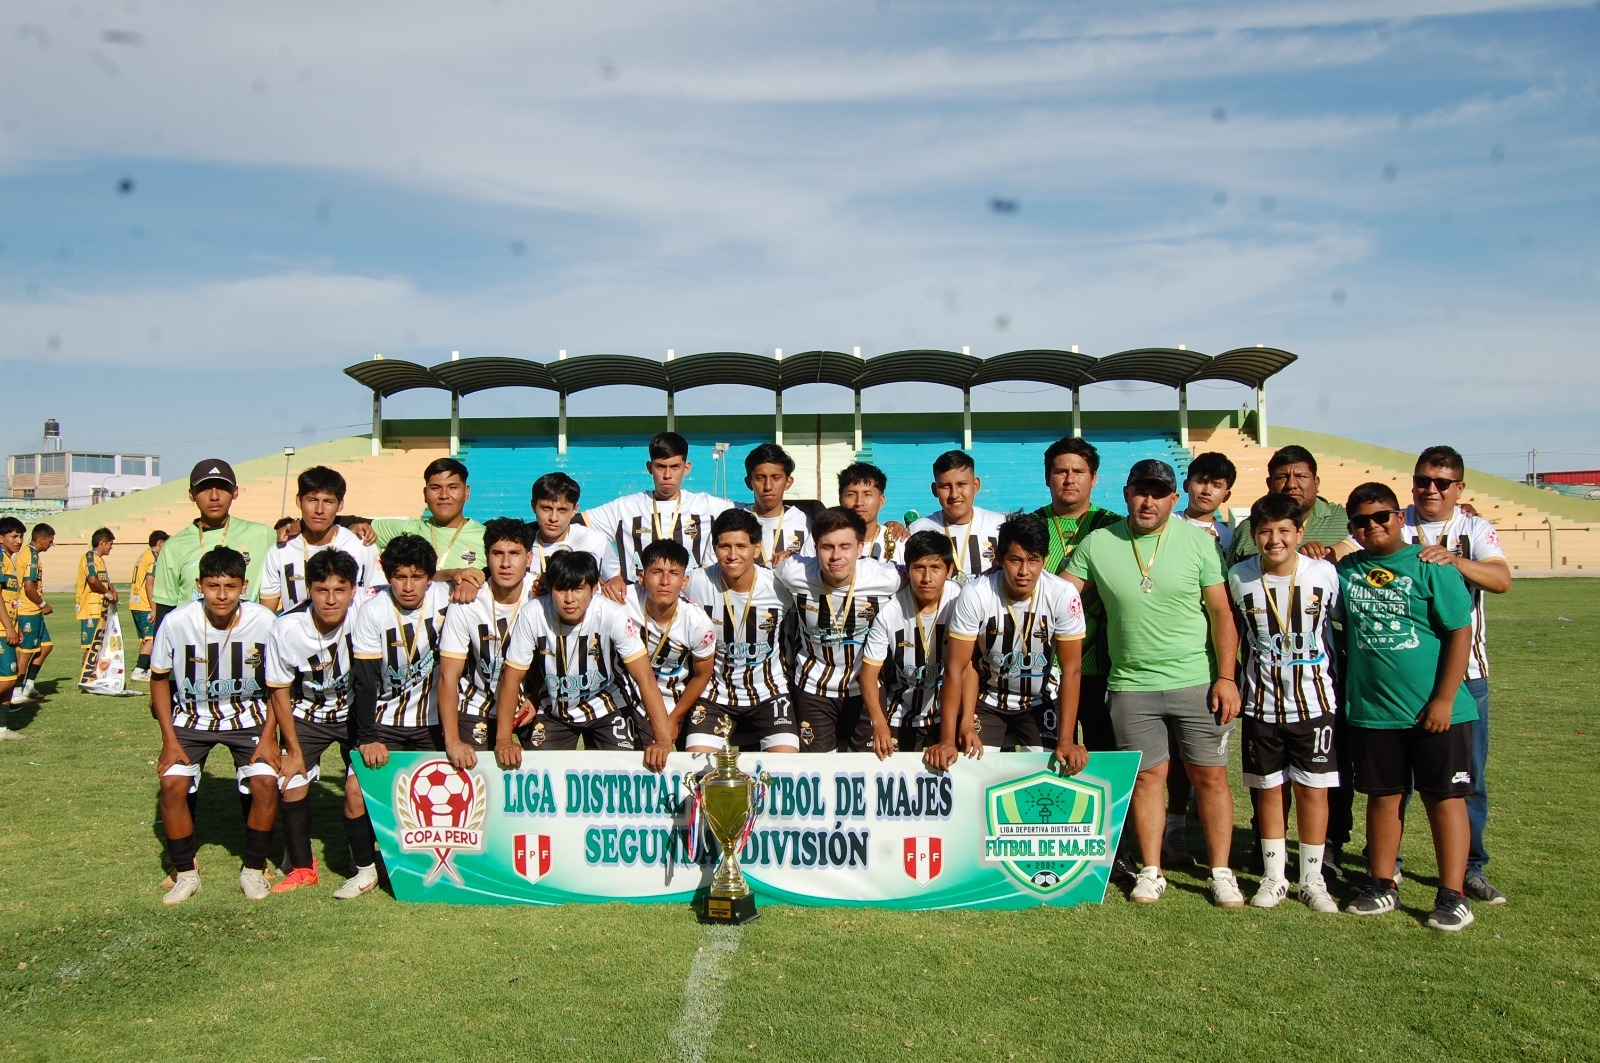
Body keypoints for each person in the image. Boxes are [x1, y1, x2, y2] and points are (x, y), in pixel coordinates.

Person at [1064, 459, 1244, 908]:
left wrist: (1226, 677)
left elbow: (1222, 613)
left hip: (1196, 681)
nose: (1148, 501)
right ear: (1125, 494)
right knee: (1147, 779)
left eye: (1158, 493)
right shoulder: (1098, 542)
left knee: (1210, 778)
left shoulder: (1198, 543)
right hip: (1130, 685)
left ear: (1173, 499)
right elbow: (1060, 594)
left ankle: (1221, 873)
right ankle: (1151, 869)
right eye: (1140, 492)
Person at [1338, 482, 1479, 931]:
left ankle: (1452, 894)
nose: (1373, 526)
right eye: (1362, 520)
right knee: (1383, 797)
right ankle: (1382, 884)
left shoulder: (1430, 565)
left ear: (1400, 517)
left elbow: (1460, 631)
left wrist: (1442, 698)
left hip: (1437, 712)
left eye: (1382, 516)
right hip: (1375, 710)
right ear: (1352, 527)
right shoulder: (1346, 570)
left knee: (1444, 799)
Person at [1400, 445, 1512, 905]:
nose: (1431, 489)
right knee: (1396, 779)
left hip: (1468, 676)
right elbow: (1353, 548)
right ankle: (1387, 865)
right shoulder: (1395, 521)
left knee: (1469, 778)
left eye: (1442, 483)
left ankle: (1471, 868)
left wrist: (1453, 559)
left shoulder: (1473, 527)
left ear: (1459, 488)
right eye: (1424, 480)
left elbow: (1501, 579)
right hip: (1404, 674)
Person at [1227, 493, 1341, 913]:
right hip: (1261, 705)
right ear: (1254, 535)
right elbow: (1233, 635)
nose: (1274, 540)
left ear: (1300, 533)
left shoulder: (1325, 574)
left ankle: (1313, 878)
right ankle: (1275, 876)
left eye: (1283, 531)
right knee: (1269, 791)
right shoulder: (1240, 575)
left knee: (1313, 792)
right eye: (1265, 532)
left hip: (1314, 705)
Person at [149, 546, 280, 905]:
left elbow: (278, 685)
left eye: (230, 586)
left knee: (266, 783)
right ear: (198, 585)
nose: (222, 595)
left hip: (247, 718)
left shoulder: (265, 622)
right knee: (172, 784)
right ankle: (185, 873)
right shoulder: (177, 622)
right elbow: (159, 679)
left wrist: (270, 737)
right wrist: (168, 738)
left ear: (245, 586)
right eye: (212, 586)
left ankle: (254, 870)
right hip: (191, 719)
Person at [928, 513, 1087, 770]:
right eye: (1015, 560)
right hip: (988, 699)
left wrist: (1066, 739)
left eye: (1033, 561)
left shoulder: (1063, 594)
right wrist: (948, 738)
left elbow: (1072, 670)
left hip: (1041, 700)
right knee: (972, 771)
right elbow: (957, 668)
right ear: (999, 558)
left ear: (1044, 560)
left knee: (1049, 770)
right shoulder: (975, 594)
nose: (1024, 571)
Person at [491, 550, 674, 772]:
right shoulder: (533, 614)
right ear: (550, 589)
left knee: (621, 773)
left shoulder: (612, 614)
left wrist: (663, 739)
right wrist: (503, 739)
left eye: (578, 589)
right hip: (555, 709)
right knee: (543, 776)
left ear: (594, 588)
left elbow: (643, 676)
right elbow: (511, 676)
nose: (569, 599)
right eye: (561, 589)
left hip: (607, 705)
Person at [265, 549, 379, 898]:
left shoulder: (367, 612)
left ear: (353, 590)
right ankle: (302, 866)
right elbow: (279, 692)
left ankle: (361, 858)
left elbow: (413, 583)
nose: (331, 599)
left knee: (363, 785)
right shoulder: (286, 627)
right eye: (321, 590)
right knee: (291, 781)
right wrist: (294, 749)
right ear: (308, 590)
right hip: (307, 715)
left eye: (340, 590)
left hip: (354, 714)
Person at [773, 507, 903, 752]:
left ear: (860, 549)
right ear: (814, 548)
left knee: (867, 769)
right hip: (813, 689)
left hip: (866, 690)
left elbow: (925, 580)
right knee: (819, 770)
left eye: (845, 546)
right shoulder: (792, 572)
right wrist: (783, 556)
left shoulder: (888, 578)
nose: (836, 556)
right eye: (827, 547)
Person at [1031, 437, 1121, 751]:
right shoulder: (1030, 526)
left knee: (1106, 761)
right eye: (1060, 471)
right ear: (1047, 477)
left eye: (1079, 471)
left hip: (1105, 669)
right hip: (1045, 670)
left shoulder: (1115, 528)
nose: (1069, 479)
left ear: (1094, 477)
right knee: (1048, 761)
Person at [683, 509, 798, 752]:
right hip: (714, 694)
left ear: (757, 549)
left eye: (741, 546)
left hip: (770, 693)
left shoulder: (780, 586)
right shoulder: (695, 582)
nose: (732, 555)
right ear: (714, 548)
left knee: (786, 769)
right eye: (724, 546)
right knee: (696, 773)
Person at [438, 518, 537, 769]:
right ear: (486, 556)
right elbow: (449, 676)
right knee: (474, 774)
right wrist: (452, 742)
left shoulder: (542, 593)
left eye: (514, 553)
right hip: (476, 703)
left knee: (546, 769)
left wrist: (536, 696)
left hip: (530, 705)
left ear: (529, 558)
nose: (505, 563)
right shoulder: (466, 600)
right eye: (497, 553)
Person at [350, 534, 455, 768]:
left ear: (430, 578)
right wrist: (368, 738)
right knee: (355, 793)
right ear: (388, 577)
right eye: (400, 577)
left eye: (417, 577)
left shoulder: (447, 596)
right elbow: (365, 681)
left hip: (434, 719)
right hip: (384, 717)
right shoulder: (372, 610)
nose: (408, 587)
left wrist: (463, 576)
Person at [861, 531, 964, 758]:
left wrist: (966, 721)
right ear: (907, 570)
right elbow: (869, 675)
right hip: (900, 713)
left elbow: (970, 667)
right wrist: (879, 724)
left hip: (950, 712)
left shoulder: (962, 601)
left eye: (935, 568)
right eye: (918, 568)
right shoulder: (889, 612)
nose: (926, 578)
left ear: (950, 570)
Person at [580, 432, 734, 583]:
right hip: (636, 602)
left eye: (675, 467)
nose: (667, 475)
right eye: (661, 467)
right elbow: (572, 524)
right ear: (649, 467)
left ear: (686, 468)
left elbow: (755, 514)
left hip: (689, 602)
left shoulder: (707, 506)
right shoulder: (625, 507)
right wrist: (611, 574)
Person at [151, 460, 278, 631]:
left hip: (246, 642)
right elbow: (165, 610)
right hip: (193, 643)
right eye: (204, 488)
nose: (214, 496)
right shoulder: (173, 546)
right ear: (191, 494)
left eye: (222, 487)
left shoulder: (263, 535)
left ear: (235, 492)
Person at [346, 457, 489, 604]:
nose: (444, 495)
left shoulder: (486, 537)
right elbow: (345, 525)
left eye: (453, 487)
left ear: (466, 492)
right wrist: (355, 529)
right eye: (435, 488)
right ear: (425, 494)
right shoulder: (407, 530)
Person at [622, 539, 717, 745]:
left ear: (684, 581)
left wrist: (673, 720)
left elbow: (703, 674)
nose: (665, 581)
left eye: (674, 574)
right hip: (628, 699)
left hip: (676, 701)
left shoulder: (698, 623)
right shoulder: (622, 601)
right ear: (642, 577)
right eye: (656, 572)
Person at [260, 467, 379, 614]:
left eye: (328, 501)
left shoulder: (362, 546)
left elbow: (376, 603)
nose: (319, 510)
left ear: (340, 504)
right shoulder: (280, 550)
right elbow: (266, 613)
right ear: (299, 501)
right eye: (312, 500)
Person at [1226, 446, 1353, 566]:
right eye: (1282, 477)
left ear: (1316, 482)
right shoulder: (1247, 530)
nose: (1291, 484)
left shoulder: (1348, 520)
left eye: (1301, 476)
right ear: (1269, 484)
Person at [908, 451, 1005, 583]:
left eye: (961, 484)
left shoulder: (999, 525)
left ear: (976, 485)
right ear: (934, 490)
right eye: (945, 486)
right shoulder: (919, 529)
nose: (954, 494)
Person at [528, 472, 624, 598]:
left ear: (574, 510)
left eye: (562, 510)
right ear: (534, 506)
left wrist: (616, 581)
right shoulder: (521, 544)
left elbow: (616, 575)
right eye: (546, 508)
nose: (553, 518)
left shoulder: (595, 540)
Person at [742, 443, 813, 565]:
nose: (768, 486)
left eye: (776, 477)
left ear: (788, 482)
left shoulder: (806, 521)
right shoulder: (737, 520)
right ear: (749, 483)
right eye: (760, 478)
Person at [11, 523, 55, 704]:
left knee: (46, 646)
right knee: (26, 652)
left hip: (33, 610)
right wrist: (43, 604)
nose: (51, 545)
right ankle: (16, 691)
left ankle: (28, 685)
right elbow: (29, 587)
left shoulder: (30, 554)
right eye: (50, 541)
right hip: (27, 611)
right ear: (41, 539)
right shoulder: (30, 556)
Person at [839, 462, 906, 562]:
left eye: (867, 494)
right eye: (851, 494)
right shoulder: (824, 539)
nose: (859, 502)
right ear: (840, 500)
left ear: (881, 501)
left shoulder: (900, 542)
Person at [128, 530, 168, 682]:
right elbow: (149, 583)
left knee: (146, 639)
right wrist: (154, 607)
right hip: (144, 603)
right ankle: (138, 671)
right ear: (160, 543)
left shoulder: (142, 555)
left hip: (135, 602)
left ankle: (144, 669)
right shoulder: (152, 556)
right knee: (151, 638)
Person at [75, 528, 116, 672]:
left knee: (98, 645)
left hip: (100, 608)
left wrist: (112, 590)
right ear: (102, 542)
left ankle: (93, 675)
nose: (111, 547)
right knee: (91, 646)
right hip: (90, 609)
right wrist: (107, 592)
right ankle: (86, 678)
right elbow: (92, 580)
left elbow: (103, 580)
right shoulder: (89, 557)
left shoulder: (99, 560)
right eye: (110, 544)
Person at [1180, 452, 1237, 552]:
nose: (1207, 491)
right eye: (1201, 482)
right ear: (1186, 485)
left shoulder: (1229, 538)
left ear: (1226, 496)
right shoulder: (1166, 523)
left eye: (1216, 485)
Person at [0, 518, 25, 740]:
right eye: (13, 536)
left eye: (20, 536)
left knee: (10, 680)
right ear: (1, 538)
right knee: (7, 679)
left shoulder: (10, 560)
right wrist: (8, 626)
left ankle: (2, 728)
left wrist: (15, 626)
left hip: (9, 626)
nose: (18, 541)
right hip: (0, 629)